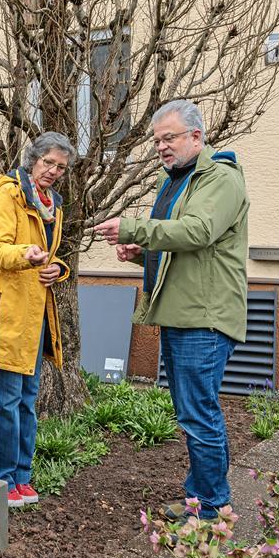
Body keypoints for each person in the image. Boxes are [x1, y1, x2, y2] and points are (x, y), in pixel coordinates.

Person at [94, 99, 248, 521]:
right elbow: (179, 249)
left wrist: (132, 226)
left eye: (170, 138)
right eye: (157, 140)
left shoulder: (220, 177)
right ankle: (200, 497)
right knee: (190, 413)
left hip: (205, 318)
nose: (161, 147)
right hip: (183, 314)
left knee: (200, 414)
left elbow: (198, 232)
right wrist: (140, 253)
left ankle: (214, 505)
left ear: (196, 137)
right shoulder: (179, 180)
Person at [0, 131, 75, 509]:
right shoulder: (8, 194)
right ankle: (3, 479)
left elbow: (52, 256)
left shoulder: (52, 204)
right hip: (8, 314)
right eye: (48, 162)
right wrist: (27, 254)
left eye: (61, 167)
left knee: (28, 399)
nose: (53, 171)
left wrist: (58, 268)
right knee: (6, 400)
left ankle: (22, 476)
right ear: (32, 159)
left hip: (37, 317)